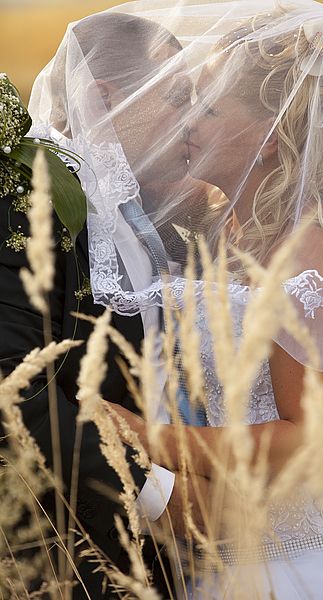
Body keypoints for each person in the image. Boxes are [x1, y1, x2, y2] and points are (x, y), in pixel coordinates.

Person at [76, 1, 323, 598]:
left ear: (271, 139)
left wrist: (146, 438)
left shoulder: (310, 251)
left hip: (303, 564)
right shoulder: (226, 221)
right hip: (223, 553)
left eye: (207, 108)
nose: (186, 122)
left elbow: (315, 437)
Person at [0, 11, 209, 598]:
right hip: (60, 554)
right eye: (177, 97)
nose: (194, 118)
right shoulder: (28, 196)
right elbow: (14, 380)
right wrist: (152, 495)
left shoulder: (139, 213)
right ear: (105, 97)